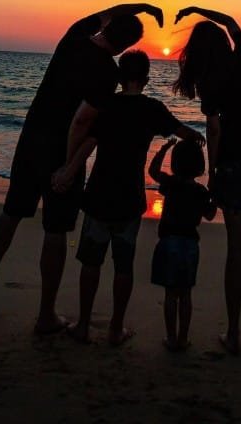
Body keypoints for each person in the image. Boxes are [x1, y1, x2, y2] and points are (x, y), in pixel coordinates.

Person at [0, 3, 163, 333]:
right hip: (62, 152)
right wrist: (69, 167)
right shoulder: (107, 74)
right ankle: (46, 314)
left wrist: (143, 6)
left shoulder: (74, 37)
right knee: (55, 229)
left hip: (31, 142)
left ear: (105, 28)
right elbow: (82, 122)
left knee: (11, 212)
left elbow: (109, 11)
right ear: (123, 48)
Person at [51, 49, 204, 345]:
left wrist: (68, 171)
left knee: (91, 263)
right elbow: (181, 130)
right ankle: (115, 328)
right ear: (146, 80)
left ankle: (83, 325)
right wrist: (199, 139)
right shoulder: (152, 109)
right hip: (130, 199)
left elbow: (89, 143)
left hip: (98, 195)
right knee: (123, 266)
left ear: (121, 77)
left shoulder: (106, 105)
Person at [172, 6, 241, 357]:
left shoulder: (210, 79)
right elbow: (233, 21)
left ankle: (234, 334)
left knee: (237, 250)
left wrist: (214, 170)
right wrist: (196, 9)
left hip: (234, 163)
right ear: (224, 40)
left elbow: (215, 129)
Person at [149, 137, 216, 351]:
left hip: (168, 243)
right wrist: (214, 193)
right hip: (189, 246)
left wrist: (164, 147)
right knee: (185, 294)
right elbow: (211, 215)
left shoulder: (171, 184)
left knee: (171, 294)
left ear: (175, 163)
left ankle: (170, 338)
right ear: (199, 165)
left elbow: (152, 171)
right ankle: (183, 338)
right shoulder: (200, 192)